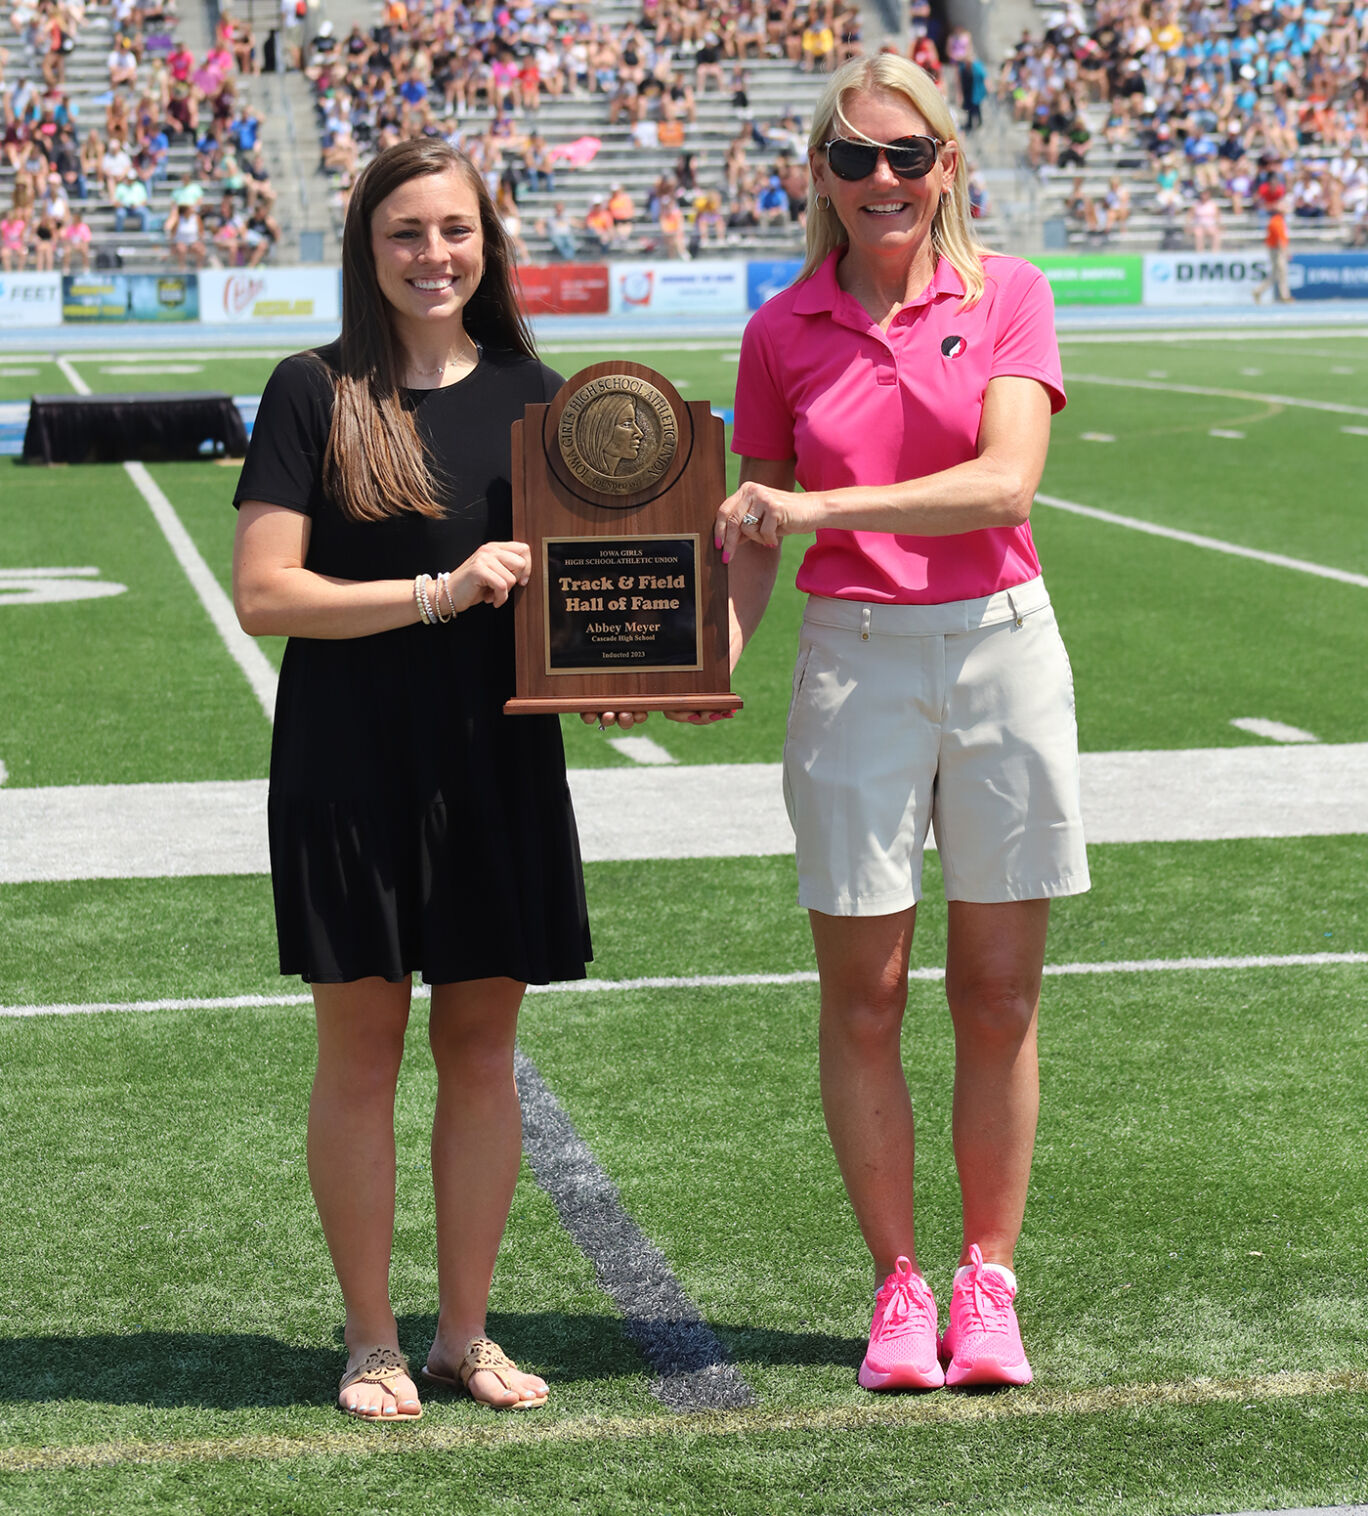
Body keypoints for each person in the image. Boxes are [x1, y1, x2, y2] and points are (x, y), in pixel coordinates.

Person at [231, 137, 630, 1422]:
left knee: (481, 1045)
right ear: (367, 248)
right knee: (361, 1049)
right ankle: (368, 1340)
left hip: (496, 758)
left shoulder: (543, 396)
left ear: (489, 244)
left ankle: (463, 1334)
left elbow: (592, 591)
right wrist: (436, 592)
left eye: (454, 231)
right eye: (405, 233)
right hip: (350, 762)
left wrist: (636, 651)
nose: (433, 256)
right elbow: (263, 594)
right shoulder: (313, 390)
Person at [711, 53, 1089, 1394]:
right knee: (863, 997)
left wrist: (813, 511)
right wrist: (708, 661)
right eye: (857, 158)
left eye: (908, 156)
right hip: (853, 662)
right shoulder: (779, 329)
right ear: (819, 173)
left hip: (1001, 653)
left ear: (948, 168)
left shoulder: (1012, 297)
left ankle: (989, 1280)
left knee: (995, 996)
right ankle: (898, 1287)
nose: (885, 180)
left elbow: (1001, 484)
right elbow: (752, 528)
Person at [1252, 195, 1292, 303]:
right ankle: (1284, 295)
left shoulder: (1279, 221)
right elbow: (1280, 239)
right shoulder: (1276, 221)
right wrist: (1285, 251)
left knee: (1276, 274)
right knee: (1282, 272)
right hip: (1276, 250)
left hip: (1275, 249)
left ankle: (1258, 291)